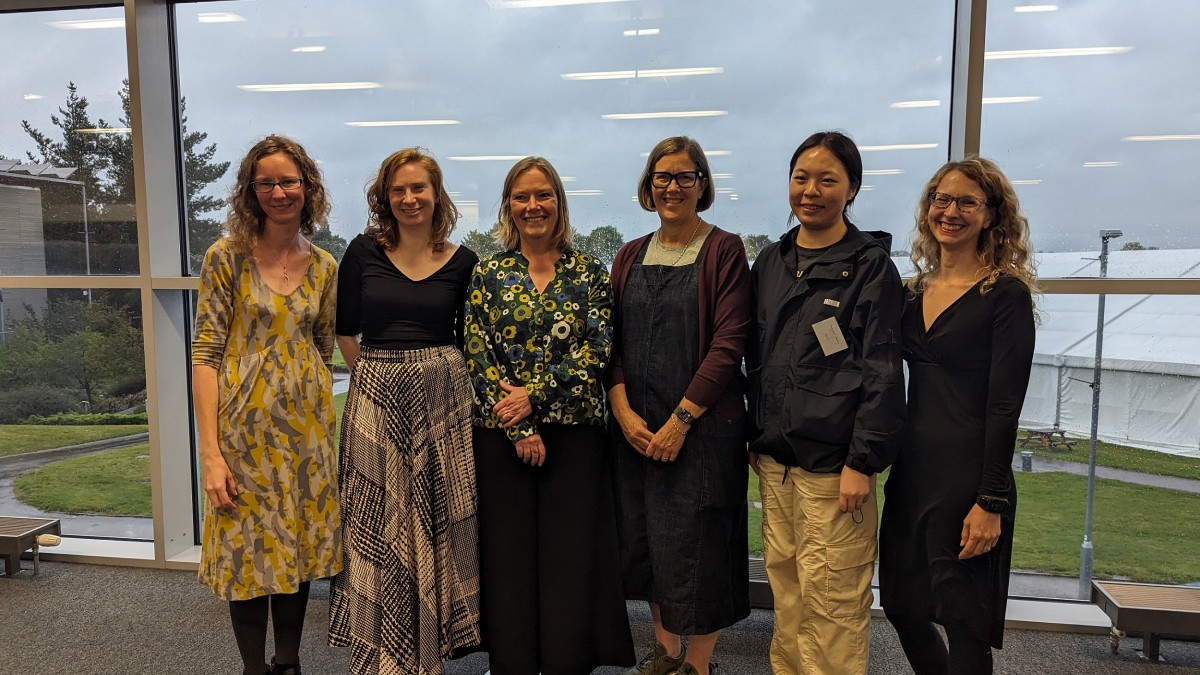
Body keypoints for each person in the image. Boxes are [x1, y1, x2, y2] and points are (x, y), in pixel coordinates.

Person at [464, 156, 635, 675]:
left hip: (575, 439)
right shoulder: (488, 273)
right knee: (509, 559)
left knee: (570, 558)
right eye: (522, 196)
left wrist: (533, 397)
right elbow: (478, 353)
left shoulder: (589, 273)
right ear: (508, 206)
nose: (533, 206)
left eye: (543, 195)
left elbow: (597, 350)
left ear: (559, 202)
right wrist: (520, 425)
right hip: (502, 439)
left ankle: (566, 661)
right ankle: (512, 664)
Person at [746, 130, 906, 674]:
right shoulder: (772, 261)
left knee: (833, 603)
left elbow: (883, 371)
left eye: (827, 180)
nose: (810, 191)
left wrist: (862, 462)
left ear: (852, 188)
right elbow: (757, 357)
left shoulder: (870, 268)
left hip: (836, 471)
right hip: (776, 464)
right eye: (801, 178)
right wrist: (755, 432)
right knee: (788, 594)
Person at [879, 157, 1037, 675]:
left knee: (964, 622)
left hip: (970, 479)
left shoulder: (1004, 294)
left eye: (967, 202)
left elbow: (1005, 405)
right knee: (902, 607)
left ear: (991, 215)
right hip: (911, 475)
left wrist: (990, 500)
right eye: (941, 199)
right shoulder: (911, 292)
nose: (950, 211)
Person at [328, 148, 482, 674]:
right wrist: (378, 380)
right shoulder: (362, 252)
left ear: (437, 195)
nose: (409, 198)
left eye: (419, 188)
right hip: (375, 402)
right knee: (376, 521)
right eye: (399, 189)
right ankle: (381, 656)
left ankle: (431, 652)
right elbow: (345, 330)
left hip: (443, 406)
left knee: (437, 524)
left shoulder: (464, 261)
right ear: (385, 197)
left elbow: (471, 340)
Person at [192, 134, 341, 675]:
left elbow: (322, 348)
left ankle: (289, 664)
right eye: (267, 183)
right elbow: (205, 354)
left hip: (306, 436)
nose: (279, 193)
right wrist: (211, 453)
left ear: (308, 187)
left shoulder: (324, 265)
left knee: (296, 552)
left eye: (289, 182)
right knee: (248, 557)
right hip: (243, 436)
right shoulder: (226, 257)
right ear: (250, 192)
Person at [607, 136, 751, 675]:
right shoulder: (628, 254)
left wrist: (681, 421)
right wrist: (623, 413)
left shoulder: (724, 250)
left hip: (701, 433)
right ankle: (666, 654)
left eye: (684, 177)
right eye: (662, 177)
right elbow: (609, 344)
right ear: (649, 186)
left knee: (700, 546)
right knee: (648, 542)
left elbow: (728, 345)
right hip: (636, 433)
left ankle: (699, 665)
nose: (672, 187)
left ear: (702, 184)